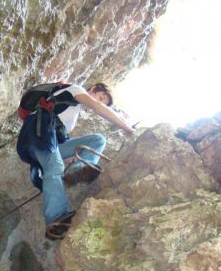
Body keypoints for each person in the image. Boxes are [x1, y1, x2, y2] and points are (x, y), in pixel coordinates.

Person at [16, 82, 135, 240]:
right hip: (37, 133)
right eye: (100, 97)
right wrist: (127, 128)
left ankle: (77, 170)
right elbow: (97, 108)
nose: (99, 102)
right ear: (93, 89)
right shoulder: (75, 89)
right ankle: (55, 218)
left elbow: (59, 137)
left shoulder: (71, 109)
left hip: (50, 140)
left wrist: (73, 158)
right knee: (54, 166)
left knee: (97, 140)